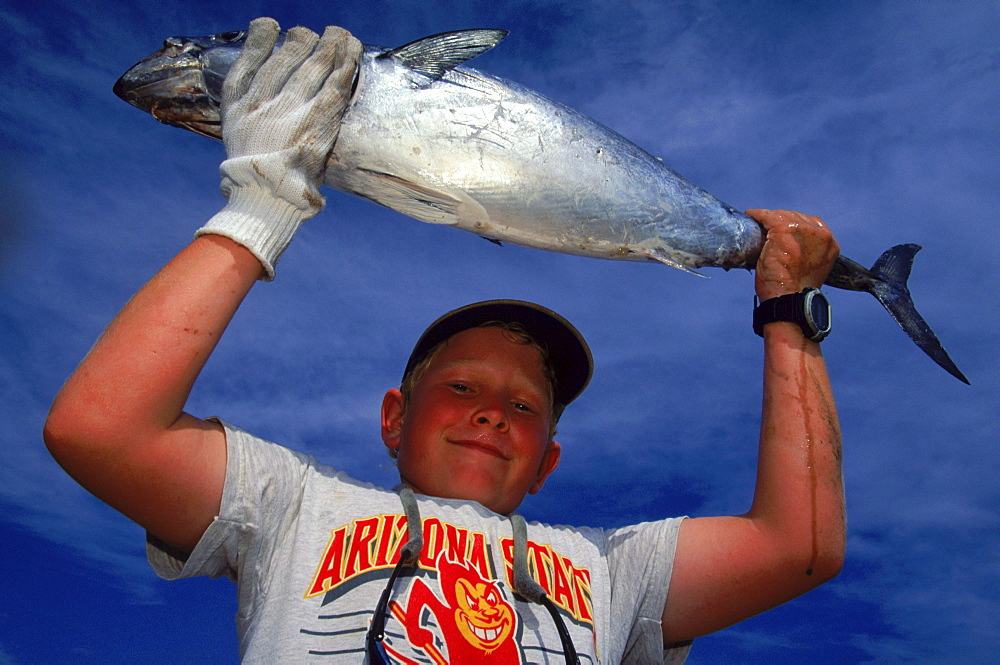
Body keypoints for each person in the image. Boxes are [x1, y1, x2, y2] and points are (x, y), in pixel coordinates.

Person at [44, 17, 845, 664]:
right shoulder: (290, 509)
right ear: (392, 418)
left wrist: (789, 313)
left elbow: (798, 546)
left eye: (527, 405)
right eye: (460, 388)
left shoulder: (614, 571)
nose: (492, 415)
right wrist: (262, 203)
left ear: (548, 463)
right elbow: (99, 429)